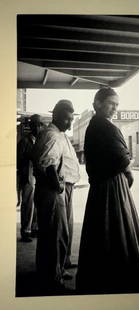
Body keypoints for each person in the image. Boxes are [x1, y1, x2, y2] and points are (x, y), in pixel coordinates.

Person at [75, 87, 139, 295]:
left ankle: (101, 281)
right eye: (111, 103)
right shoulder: (105, 127)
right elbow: (123, 158)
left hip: (102, 188)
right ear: (97, 104)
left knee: (102, 232)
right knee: (119, 232)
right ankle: (122, 283)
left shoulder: (95, 126)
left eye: (117, 105)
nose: (114, 109)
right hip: (113, 188)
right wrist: (128, 174)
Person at [32, 100, 80, 294]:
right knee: (54, 234)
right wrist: (59, 186)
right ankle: (51, 279)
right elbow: (48, 164)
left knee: (60, 232)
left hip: (60, 188)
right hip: (53, 190)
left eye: (71, 119)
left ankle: (57, 269)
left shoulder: (58, 134)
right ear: (56, 116)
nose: (70, 124)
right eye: (66, 119)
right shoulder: (52, 135)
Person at [17, 114, 43, 242]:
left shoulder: (39, 141)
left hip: (36, 176)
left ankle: (34, 228)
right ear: (31, 126)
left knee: (36, 204)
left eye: (39, 125)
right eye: (35, 125)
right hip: (27, 176)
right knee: (27, 205)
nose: (37, 128)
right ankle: (25, 231)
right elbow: (19, 160)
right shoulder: (25, 141)